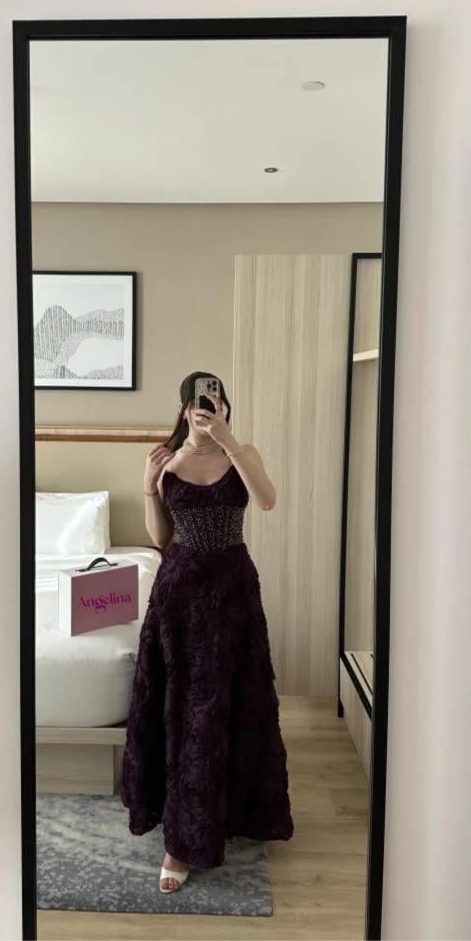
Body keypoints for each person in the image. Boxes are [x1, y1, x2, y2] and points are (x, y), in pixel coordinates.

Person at [120, 370, 294, 893]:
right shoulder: (167, 461)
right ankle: (180, 841)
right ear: (183, 409)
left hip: (234, 591)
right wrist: (148, 486)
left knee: (235, 701)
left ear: (224, 406)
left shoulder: (243, 452)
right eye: (198, 401)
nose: (207, 406)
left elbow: (267, 500)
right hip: (180, 595)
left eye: (216, 399)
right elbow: (160, 537)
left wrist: (228, 440)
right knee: (186, 707)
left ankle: (230, 811)